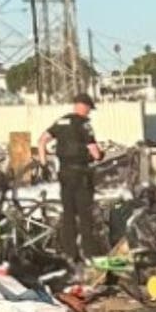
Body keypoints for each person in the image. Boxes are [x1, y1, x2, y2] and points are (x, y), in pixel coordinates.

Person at [37, 93, 104, 262]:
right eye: (89, 109)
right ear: (84, 106)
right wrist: (100, 155)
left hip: (64, 175)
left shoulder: (61, 121)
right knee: (85, 216)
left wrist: (44, 163)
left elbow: (41, 141)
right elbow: (95, 153)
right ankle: (89, 254)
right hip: (81, 174)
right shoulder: (84, 124)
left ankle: (70, 254)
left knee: (68, 215)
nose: (89, 113)